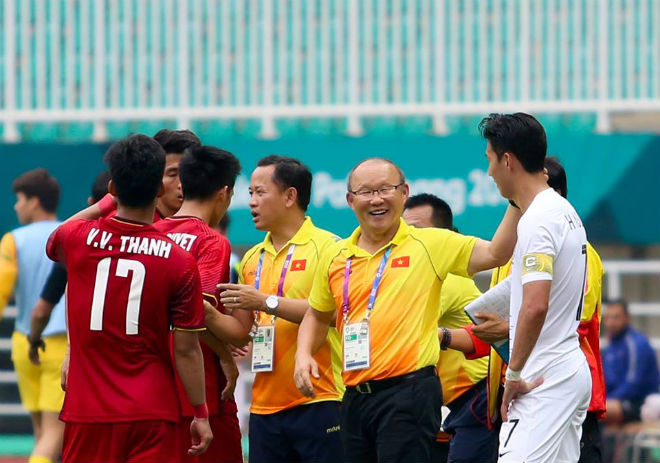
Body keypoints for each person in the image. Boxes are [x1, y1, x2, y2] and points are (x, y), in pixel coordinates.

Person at [294, 156, 520, 463]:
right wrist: (303, 353)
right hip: (353, 397)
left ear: (404, 193)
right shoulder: (336, 255)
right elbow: (318, 313)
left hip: (409, 392)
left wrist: (517, 195)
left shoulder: (430, 243)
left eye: (385, 189)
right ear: (349, 200)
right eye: (366, 192)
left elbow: (496, 252)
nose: (376, 199)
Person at [46, 134, 212, 462]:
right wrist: (201, 413)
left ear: (111, 188)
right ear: (160, 189)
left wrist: (110, 200)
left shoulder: (77, 239)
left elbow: (57, 236)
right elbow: (186, 349)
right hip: (153, 410)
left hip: (88, 410)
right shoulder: (178, 259)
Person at [442, 155, 607, 463]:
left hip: (553, 380)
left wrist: (508, 333)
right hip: (517, 387)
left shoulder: (580, 251)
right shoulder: (511, 257)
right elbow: (493, 328)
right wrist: (444, 337)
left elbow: (572, 320)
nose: (491, 173)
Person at [217, 155, 345, 463]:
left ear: (290, 196)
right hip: (263, 409)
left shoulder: (330, 248)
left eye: (261, 192)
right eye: (249, 193)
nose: (251, 202)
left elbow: (336, 314)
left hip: (320, 398)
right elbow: (240, 331)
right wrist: (206, 316)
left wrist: (265, 302)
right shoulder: (250, 259)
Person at [479, 113, 591, 463]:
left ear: (507, 160)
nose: (489, 172)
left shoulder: (539, 220)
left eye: (490, 160)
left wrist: (512, 374)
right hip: (567, 370)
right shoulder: (562, 210)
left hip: (543, 380)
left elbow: (535, 306)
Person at [153, 145, 251, 463]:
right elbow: (199, 309)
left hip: (156, 385)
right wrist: (227, 351)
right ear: (224, 192)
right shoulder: (211, 241)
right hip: (204, 389)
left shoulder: (150, 234)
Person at [403, 194, 496, 463]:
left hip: (476, 397)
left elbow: (398, 322)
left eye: (418, 230)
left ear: (445, 236)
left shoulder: (447, 278)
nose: (410, 238)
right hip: (454, 403)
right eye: (405, 230)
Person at [0, 169, 66, 463]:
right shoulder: (70, 234)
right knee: (54, 434)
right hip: (61, 344)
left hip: (24, 343)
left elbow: (2, 289)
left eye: (20, 199)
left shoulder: (13, 240)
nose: (16, 206)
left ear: (35, 201)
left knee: (43, 434)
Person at [29, 171, 112, 366]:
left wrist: (34, 340)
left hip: (88, 356)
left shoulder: (77, 247)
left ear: (92, 202)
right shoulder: (155, 244)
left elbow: (42, 309)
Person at [602, 299, 660, 425]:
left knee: (598, 410)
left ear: (627, 318)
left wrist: (606, 400)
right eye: (608, 318)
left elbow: (632, 384)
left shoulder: (636, 343)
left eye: (616, 317)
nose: (611, 322)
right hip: (617, 400)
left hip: (641, 402)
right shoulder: (612, 344)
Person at [153, 128, 202, 218]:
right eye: (173, 174)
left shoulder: (206, 228)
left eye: (191, 173)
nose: (182, 184)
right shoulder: (140, 229)